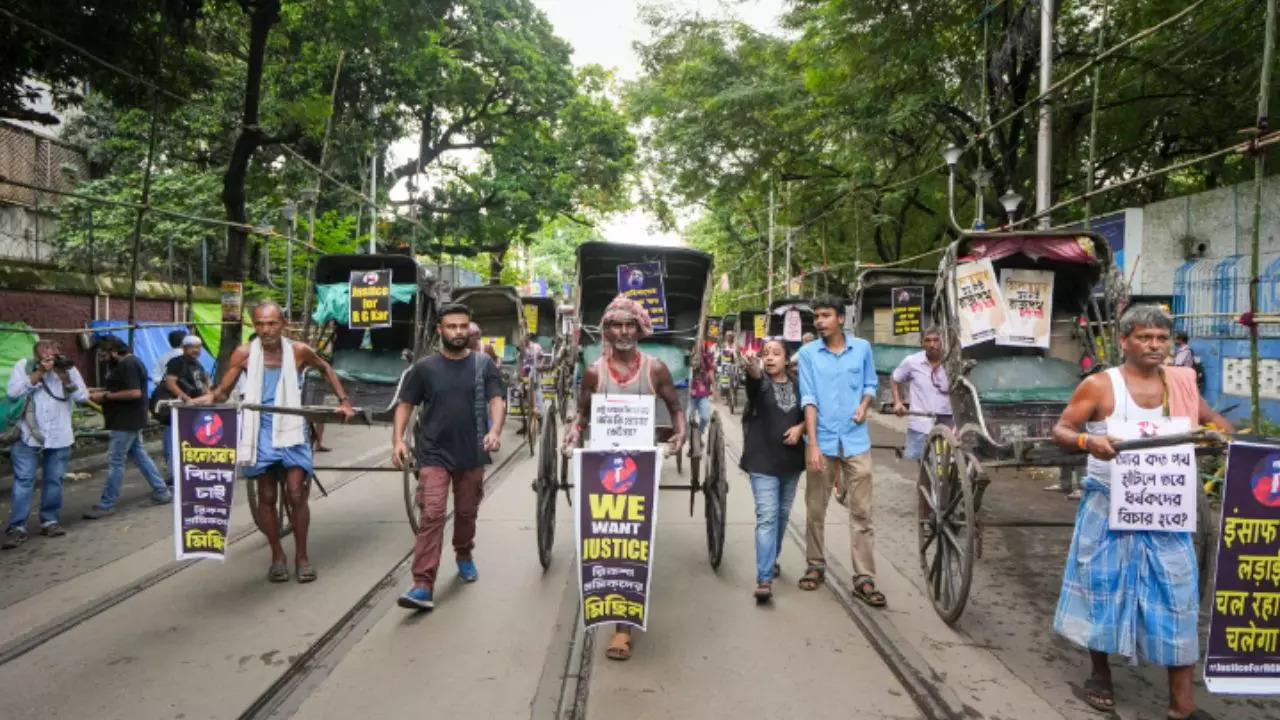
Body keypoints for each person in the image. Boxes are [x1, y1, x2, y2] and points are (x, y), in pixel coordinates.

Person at [1051, 304, 1232, 719]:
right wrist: (1087, 443)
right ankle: (1100, 673)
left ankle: (1181, 704)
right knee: (1103, 590)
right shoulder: (1099, 385)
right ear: (1124, 340)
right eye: (1144, 337)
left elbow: (1214, 421)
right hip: (1108, 505)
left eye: (1161, 338)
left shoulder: (1181, 384)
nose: (1154, 345)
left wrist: (1229, 439)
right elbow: (1063, 429)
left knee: (1178, 595)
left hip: (1167, 512)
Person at [562, 294, 687, 661]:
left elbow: (676, 409)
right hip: (601, 468)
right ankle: (612, 606)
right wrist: (572, 432)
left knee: (629, 541)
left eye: (630, 325)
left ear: (639, 329)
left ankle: (621, 629)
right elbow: (581, 416)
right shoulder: (594, 372)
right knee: (606, 539)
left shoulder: (656, 369)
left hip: (640, 467)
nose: (623, 331)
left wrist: (679, 434)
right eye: (616, 325)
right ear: (607, 330)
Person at [195, 301, 354, 583]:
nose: (266, 329)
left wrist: (343, 401)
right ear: (253, 326)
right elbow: (223, 391)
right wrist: (207, 398)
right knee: (267, 496)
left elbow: (326, 369)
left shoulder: (298, 351)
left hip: (292, 425)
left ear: (283, 324)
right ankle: (277, 555)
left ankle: (302, 556)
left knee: (295, 493)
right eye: (260, 324)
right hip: (260, 429)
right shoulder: (244, 353)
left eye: (271, 323)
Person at [393, 303, 505, 610]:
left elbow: (497, 400)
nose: (458, 332)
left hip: (472, 452)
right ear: (439, 330)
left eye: (463, 326)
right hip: (433, 453)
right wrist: (398, 441)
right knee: (431, 514)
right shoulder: (425, 368)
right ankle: (422, 584)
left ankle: (464, 553)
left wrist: (495, 430)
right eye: (452, 326)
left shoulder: (483, 364)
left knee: (467, 512)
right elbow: (405, 404)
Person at [795, 297, 884, 607]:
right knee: (816, 508)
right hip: (823, 440)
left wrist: (863, 405)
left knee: (862, 512)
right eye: (816, 316)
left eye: (826, 315)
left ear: (841, 319)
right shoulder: (807, 353)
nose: (819, 321)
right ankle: (816, 564)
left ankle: (864, 577)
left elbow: (871, 384)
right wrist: (814, 444)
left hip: (857, 440)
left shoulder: (862, 348)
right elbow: (808, 397)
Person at [3, 341, 89, 548]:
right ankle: (17, 527)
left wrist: (66, 377)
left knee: (54, 480)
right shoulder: (24, 366)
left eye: (53, 356)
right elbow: (13, 393)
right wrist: (40, 372)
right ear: (36, 356)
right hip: (27, 435)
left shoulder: (68, 368)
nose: (50, 360)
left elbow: (82, 397)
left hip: (59, 436)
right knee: (24, 481)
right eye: (45, 357)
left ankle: (49, 521)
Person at [740, 339, 805, 601]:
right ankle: (764, 578)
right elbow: (755, 381)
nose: (769, 358)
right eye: (765, 354)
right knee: (767, 517)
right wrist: (752, 370)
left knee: (782, 516)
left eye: (776, 354)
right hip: (762, 462)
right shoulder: (760, 384)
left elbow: (810, 412)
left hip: (791, 463)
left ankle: (771, 559)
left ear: (787, 359)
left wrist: (800, 428)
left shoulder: (800, 385)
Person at [84, 336, 173, 518]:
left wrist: (105, 397)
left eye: (103, 353)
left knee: (116, 461)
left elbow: (134, 392)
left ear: (114, 352)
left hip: (125, 421)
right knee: (140, 456)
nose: (101, 358)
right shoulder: (124, 364)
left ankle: (106, 503)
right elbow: (119, 387)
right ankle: (161, 491)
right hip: (128, 419)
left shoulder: (129, 365)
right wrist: (94, 391)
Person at [889, 326, 953, 460]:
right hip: (921, 421)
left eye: (936, 340)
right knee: (925, 464)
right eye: (927, 341)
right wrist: (897, 402)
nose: (932, 344)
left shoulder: (951, 363)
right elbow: (895, 379)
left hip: (946, 419)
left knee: (949, 463)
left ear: (942, 341)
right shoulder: (912, 362)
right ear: (922, 343)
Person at [688, 343, 714, 441]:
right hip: (687, 392)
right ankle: (692, 439)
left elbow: (710, 369)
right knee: (689, 419)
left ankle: (699, 435)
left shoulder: (706, 351)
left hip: (702, 392)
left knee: (705, 417)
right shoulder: (685, 348)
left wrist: (714, 388)